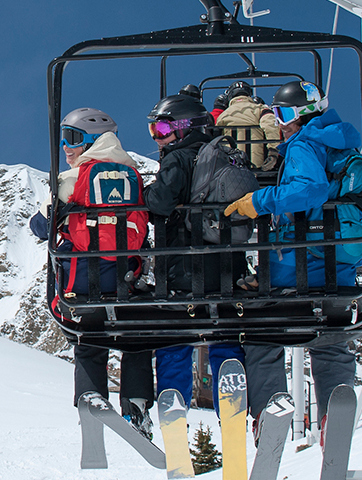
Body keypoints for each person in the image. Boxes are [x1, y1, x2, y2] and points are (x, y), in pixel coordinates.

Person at [223, 80, 359, 443]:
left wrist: (259, 200)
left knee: (260, 329)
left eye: (282, 114)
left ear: (300, 114)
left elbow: (308, 189)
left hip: (297, 264)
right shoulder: (341, 143)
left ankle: (270, 407)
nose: (280, 123)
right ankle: (334, 410)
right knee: (329, 338)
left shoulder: (304, 144)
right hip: (339, 266)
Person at [29, 107, 155, 439]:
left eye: (72, 138)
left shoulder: (73, 179)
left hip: (82, 283)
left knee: (87, 338)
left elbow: (42, 226)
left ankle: (91, 397)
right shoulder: (134, 175)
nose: (67, 147)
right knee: (136, 338)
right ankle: (137, 404)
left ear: (90, 141)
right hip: (127, 282)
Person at [141, 92, 248, 412]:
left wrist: (146, 194)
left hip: (183, 269)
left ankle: (173, 399)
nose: (157, 139)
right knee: (224, 333)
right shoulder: (226, 154)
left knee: (174, 337)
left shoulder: (178, 157)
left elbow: (160, 201)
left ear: (184, 127)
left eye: (160, 130)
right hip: (227, 268)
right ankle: (231, 397)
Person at [216, 81, 282, 171]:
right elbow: (270, 125)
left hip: (230, 169)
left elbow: (215, 137)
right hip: (257, 168)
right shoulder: (260, 109)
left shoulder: (223, 115)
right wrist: (273, 152)